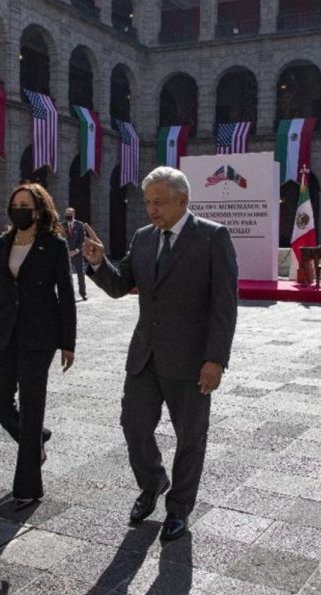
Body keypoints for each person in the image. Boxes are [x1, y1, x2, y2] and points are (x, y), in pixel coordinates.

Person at [83, 166, 238, 542]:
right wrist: (98, 262)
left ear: (182, 201)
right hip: (145, 357)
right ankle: (153, 482)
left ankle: (179, 508)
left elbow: (224, 305)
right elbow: (121, 286)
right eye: (147, 202)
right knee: (133, 426)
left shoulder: (212, 238)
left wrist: (215, 359)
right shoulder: (143, 238)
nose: (151, 209)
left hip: (191, 362)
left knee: (190, 438)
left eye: (158, 202)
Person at [0, 183, 77, 508]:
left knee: (32, 407)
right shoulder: (1, 245)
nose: (19, 209)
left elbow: (66, 297)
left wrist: (67, 343)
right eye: (15, 204)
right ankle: (35, 443)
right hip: (5, 334)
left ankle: (27, 488)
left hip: (39, 337)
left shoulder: (54, 246)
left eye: (25, 205)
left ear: (38, 210)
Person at [62, 207, 87, 300]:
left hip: (78, 254)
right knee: (66, 275)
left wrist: (77, 250)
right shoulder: (61, 225)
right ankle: (68, 294)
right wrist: (66, 251)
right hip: (66, 254)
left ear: (74, 214)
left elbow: (82, 239)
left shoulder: (80, 225)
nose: (68, 215)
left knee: (81, 274)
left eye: (70, 213)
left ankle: (83, 293)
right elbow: (60, 239)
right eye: (66, 213)